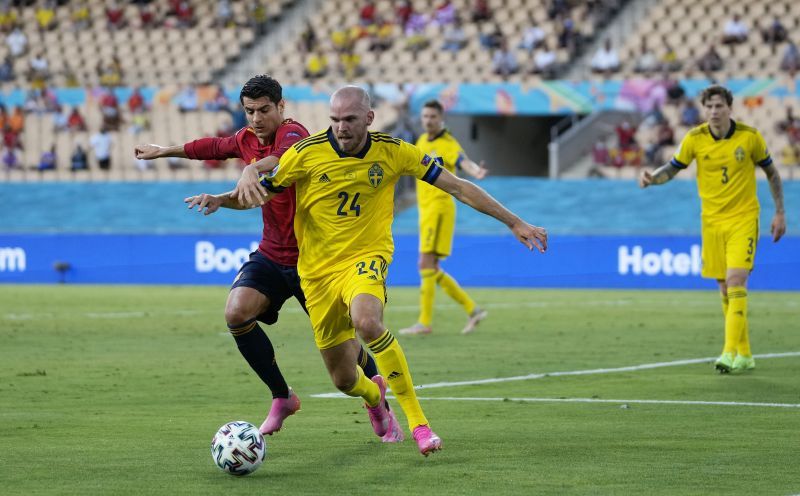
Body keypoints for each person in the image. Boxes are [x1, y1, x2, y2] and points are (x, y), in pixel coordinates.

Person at [186, 86, 548, 455]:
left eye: (350, 119)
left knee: (368, 321)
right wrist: (220, 200)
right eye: (335, 120)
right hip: (316, 273)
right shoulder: (305, 154)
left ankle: (419, 424)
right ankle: (374, 397)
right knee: (344, 379)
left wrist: (514, 222)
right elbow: (258, 194)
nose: (341, 128)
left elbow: (458, 186)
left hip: (366, 258)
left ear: (369, 119)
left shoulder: (394, 151)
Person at [134, 75, 396, 440]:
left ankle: (376, 400)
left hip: (316, 261)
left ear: (281, 107)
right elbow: (210, 146)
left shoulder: (294, 133)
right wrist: (165, 151)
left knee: (346, 352)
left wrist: (250, 167)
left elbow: (281, 161)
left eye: (263, 110)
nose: (256, 119)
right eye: (249, 111)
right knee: (236, 312)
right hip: (273, 254)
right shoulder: (245, 139)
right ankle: (282, 396)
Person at [639, 85, 786, 374]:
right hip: (712, 222)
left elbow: (772, 173)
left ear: (730, 108)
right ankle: (745, 354)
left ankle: (728, 352)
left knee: (735, 280)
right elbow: (673, 167)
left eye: (719, 106)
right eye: (709, 107)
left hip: (743, 218)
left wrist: (780, 212)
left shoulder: (750, 137)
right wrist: (653, 179)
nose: (714, 112)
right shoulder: (695, 139)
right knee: (723, 286)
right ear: (704, 110)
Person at [398, 99, 489, 336]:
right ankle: (472, 309)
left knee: (424, 264)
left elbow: (462, 160)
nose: (428, 120)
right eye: (425, 116)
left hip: (439, 209)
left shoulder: (447, 143)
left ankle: (424, 322)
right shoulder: (419, 142)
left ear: (441, 119)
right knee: (431, 267)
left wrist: (475, 171)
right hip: (425, 210)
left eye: (432, 117)